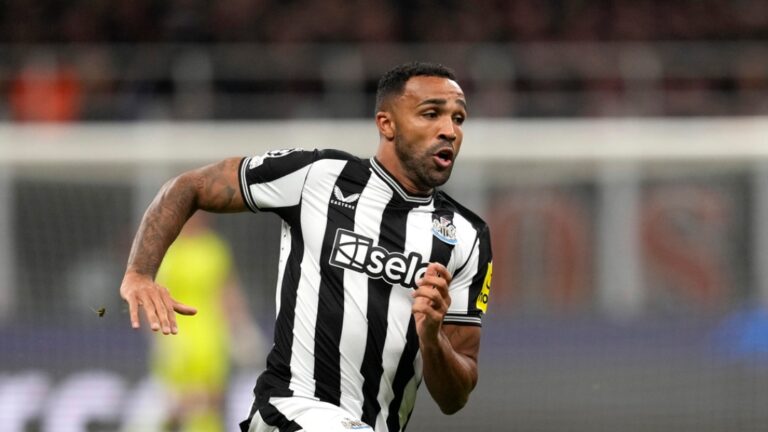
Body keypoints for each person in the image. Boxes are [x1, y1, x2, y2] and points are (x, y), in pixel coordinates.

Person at [119, 61, 493, 432]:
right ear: (387, 124)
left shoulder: (467, 236)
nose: (449, 130)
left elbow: (454, 397)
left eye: (458, 119)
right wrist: (139, 272)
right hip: (290, 409)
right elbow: (189, 187)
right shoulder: (318, 176)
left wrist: (432, 338)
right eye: (431, 114)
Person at [150, 212, 264, 432]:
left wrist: (241, 328)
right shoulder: (166, 248)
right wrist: (158, 337)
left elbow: (227, 291)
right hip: (176, 336)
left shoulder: (214, 248)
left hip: (210, 337)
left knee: (212, 403)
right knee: (174, 403)